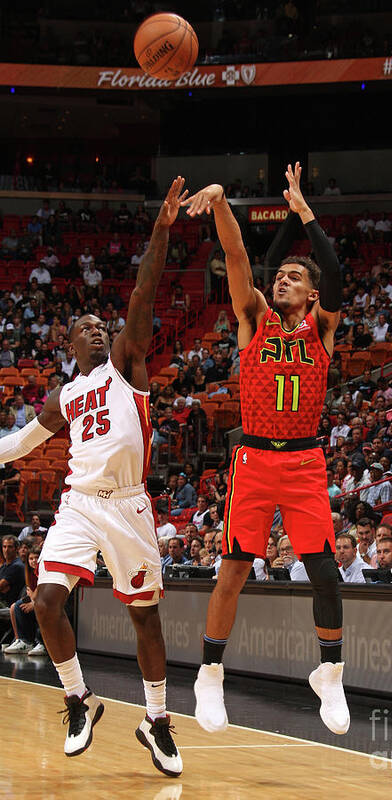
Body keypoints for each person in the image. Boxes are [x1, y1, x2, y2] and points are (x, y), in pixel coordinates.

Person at [0, 180, 189, 775]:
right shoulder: (65, 394)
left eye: (99, 324)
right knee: (47, 602)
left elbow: (144, 287)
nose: (96, 329)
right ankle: (78, 699)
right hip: (80, 503)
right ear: (68, 343)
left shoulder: (128, 363)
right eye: (84, 326)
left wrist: (160, 227)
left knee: (144, 615)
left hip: (130, 505)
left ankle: (156, 720)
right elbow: (20, 444)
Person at [186, 163, 350, 736]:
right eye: (277, 274)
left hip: (305, 461)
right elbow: (236, 259)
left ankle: (329, 672)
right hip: (254, 459)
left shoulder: (323, 327)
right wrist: (223, 202)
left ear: (309, 293)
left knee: (325, 573)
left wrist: (303, 210)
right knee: (232, 570)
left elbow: (331, 266)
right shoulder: (253, 318)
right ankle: (210, 674)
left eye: (292, 277)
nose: (281, 280)